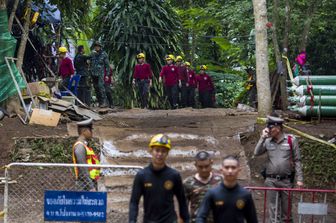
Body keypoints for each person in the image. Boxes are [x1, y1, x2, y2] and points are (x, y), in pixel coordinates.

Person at [129, 134, 190, 223]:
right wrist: (132, 220)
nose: (160, 154)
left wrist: (186, 219)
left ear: (167, 153)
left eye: (163, 151)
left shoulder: (174, 175)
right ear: (151, 151)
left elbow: (182, 201)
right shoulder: (142, 175)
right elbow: (134, 202)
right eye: (157, 150)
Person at [254, 115, 304, 223]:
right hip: (271, 181)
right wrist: (262, 138)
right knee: (273, 209)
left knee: (287, 212)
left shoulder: (291, 140)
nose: (268, 130)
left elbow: (297, 160)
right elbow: (256, 153)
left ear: (278, 128)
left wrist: (300, 179)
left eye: (270, 128)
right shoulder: (267, 141)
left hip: (286, 180)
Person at [196, 155, 258, 223]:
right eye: (227, 167)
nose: (230, 171)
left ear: (239, 170)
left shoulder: (245, 195)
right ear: (221, 169)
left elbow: (252, 220)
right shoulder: (212, 193)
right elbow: (200, 217)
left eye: (233, 167)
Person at [184, 151, 222, 223]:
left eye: (206, 166)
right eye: (200, 167)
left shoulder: (220, 181)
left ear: (211, 163)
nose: (204, 170)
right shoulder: (188, 183)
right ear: (195, 165)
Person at [72, 118, 100, 191]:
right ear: (84, 131)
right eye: (90, 130)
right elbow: (83, 168)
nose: (92, 132)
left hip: (89, 182)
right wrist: (91, 186)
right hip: (84, 185)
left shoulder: (85, 145)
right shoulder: (80, 146)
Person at [90, 41, 109, 108]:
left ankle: (104, 102)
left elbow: (107, 65)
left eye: (98, 46)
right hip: (93, 73)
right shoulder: (92, 54)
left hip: (100, 74)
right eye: (95, 46)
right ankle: (100, 102)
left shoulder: (104, 54)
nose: (96, 47)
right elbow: (89, 61)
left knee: (101, 87)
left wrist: (107, 75)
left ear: (100, 47)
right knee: (96, 88)